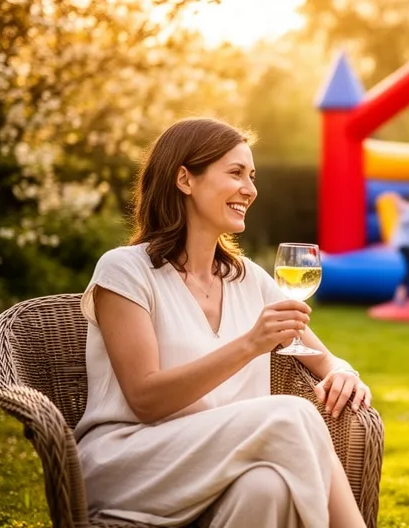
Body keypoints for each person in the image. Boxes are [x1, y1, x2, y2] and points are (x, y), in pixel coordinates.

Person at [74, 117, 371, 528]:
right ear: (184, 179)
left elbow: (325, 360)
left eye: (251, 176)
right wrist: (250, 344)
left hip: (223, 460)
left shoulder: (249, 278)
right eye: (235, 173)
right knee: (293, 414)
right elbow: (144, 398)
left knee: (266, 487)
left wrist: (344, 372)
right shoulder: (125, 270)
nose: (250, 189)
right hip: (131, 461)